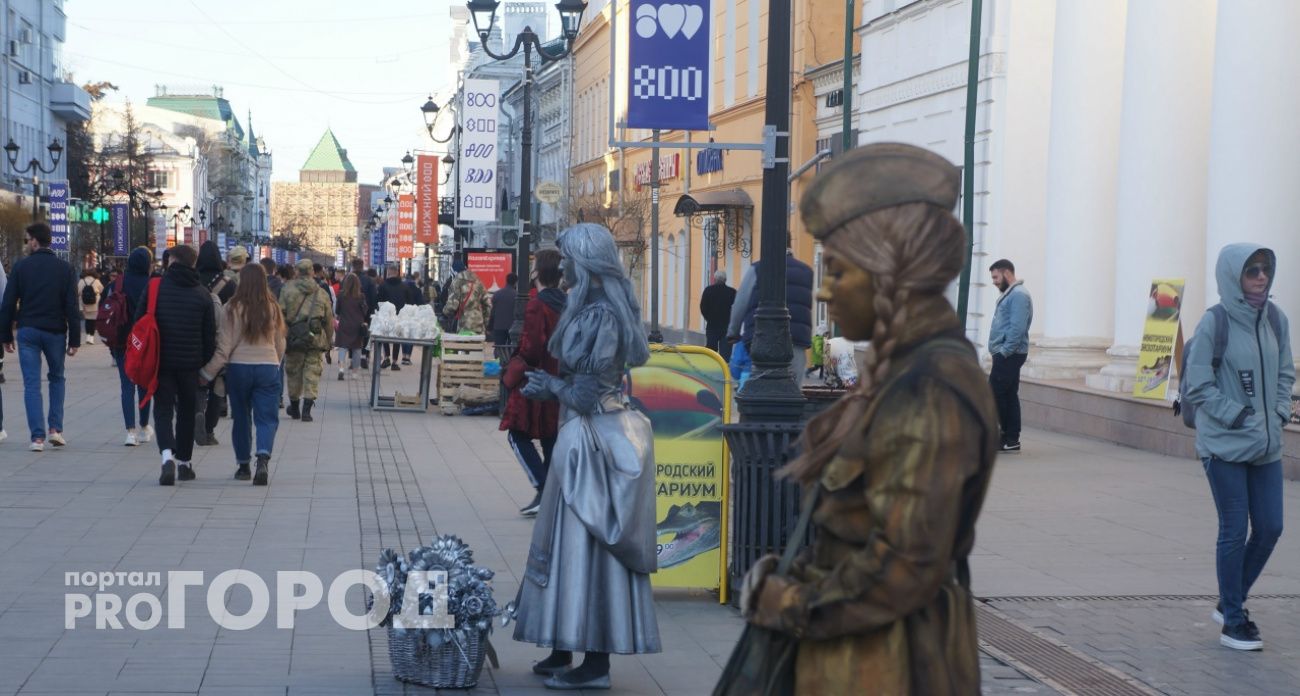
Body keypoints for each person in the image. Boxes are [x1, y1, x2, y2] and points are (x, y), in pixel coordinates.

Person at [734, 142, 998, 695]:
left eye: (840, 271)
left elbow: (905, 564)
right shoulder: (898, 370)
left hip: (891, 663)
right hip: (856, 656)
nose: (824, 291)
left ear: (889, 276)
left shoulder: (930, 385)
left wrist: (793, 603)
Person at [511, 224, 660, 690]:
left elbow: (589, 391)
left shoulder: (602, 317)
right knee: (562, 545)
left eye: (570, 257)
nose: (564, 266)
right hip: (580, 437)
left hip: (594, 442)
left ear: (588, 262)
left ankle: (594, 663)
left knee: (587, 548)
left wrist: (549, 386)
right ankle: (562, 642)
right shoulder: (587, 307)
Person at [1183, 244, 1294, 652]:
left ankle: (1230, 597)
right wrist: (1238, 416)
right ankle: (1233, 619)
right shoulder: (1215, 322)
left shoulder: (1276, 321)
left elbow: (1285, 373)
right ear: (1234, 276)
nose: (1261, 277)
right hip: (1224, 446)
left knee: (1270, 528)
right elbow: (1199, 386)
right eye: (1252, 271)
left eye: (1265, 269)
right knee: (1234, 530)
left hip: (1266, 446)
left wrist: (1279, 412)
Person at [201, 263, 287, 486]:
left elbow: (224, 347)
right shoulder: (272, 307)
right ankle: (263, 457)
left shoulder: (231, 307)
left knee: (241, 417)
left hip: (239, 368)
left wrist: (207, 373)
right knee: (267, 418)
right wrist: (274, 362)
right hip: (267, 366)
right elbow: (280, 342)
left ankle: (243, 466)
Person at [0, 223, 81, 451]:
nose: (27, 244)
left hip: (28, 331)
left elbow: (7, 303)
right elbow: (71, 307)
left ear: (35, 241)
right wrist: (75, 339)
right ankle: (55, 429)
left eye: (27, 240)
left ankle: (37, 438)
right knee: (57, 378)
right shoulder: (65, 269)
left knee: (32, 385)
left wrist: (5, 335)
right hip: (55, 331)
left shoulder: (21, 267)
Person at [146, 243, 217, 485]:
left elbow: (140, 323)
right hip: (190, 365)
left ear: (171, 261)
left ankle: (167, 457)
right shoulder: (202, 294)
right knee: (187, 412)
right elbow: (210, 336)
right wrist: (204, 365)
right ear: (193, 264)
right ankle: (185, 464)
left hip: (161, 363)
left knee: (163, 409)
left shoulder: (155, 288)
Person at [499, 256, 562, 517]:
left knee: (516, 434)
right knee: (550, 438)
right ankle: (553, 496)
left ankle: (543, 487)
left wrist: (516, 362)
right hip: (559, 378)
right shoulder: (566, 304)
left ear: (537, 272)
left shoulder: (537, 305)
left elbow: (533, 347)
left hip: (535, 380)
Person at [726, 238, 815, 380]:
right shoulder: (806, 272)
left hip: (760, 339)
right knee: (793, 392)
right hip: (796, 340)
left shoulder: (757, 268)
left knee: (759, 387)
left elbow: (740, 302)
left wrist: (733, 332)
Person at [279, 258, 334, 422]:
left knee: (293, 372)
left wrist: (283, 335)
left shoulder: (287, 289)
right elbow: (328, 320)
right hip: (314, 338)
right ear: (311, 272)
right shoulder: (321, 292)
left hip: (294, 337)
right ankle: (307, 411)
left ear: (296, 272)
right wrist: (329, 340)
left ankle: (294, 408)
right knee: (312, 372)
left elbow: (280, 314)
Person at [111, 247, 156, 446]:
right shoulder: (151, 284)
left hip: (121, 341)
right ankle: (145, 427)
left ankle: (130, 431)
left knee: (126, 386)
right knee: (144, 384)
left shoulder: (118, 283)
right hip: (143, 342)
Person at [987, 258, 1033, 453]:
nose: (994, 281)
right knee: (1007, 395)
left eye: (996, 277)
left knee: (995, 393)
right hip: (1008, 353)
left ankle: (1006, 435)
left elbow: (1018, 328)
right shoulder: (1012, 294)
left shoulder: (1019, 295)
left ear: (1007, 273)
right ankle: (1010, 439)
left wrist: (1004, 352)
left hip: (1010, 354)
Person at [194, 241, 234, 447]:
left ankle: (197, 411)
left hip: (196, 340)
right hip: (220, 341)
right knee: (217, 386)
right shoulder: (229, 283)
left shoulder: (194, 281)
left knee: (198, 384)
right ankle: (209, 430)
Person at [442, 259, 491, 335]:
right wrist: (485, 322)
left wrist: (444, 313)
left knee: (464, 346)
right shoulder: (477, 280)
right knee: (477, 346)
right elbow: (488, 304)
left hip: (464, 325)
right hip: (479, 325)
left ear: (454, 272)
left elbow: (452, 305)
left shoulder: (457, 281)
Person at [334, 273, 369, 380]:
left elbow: (337, 311)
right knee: (357, 349)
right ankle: (354, 373)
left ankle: (341, 369)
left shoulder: (341, 295)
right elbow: (365, 311)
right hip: (357, 326)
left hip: (344, 324)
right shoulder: (361, 296)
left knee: (343, 347)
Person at [699, 270, 737, 361]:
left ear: (714, 279)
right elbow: (736, 308)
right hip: (727, 326)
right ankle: (724, 372)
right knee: (725, 355)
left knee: (711, 352)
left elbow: (703, 307)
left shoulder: (708, 290)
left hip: (712, 325)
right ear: (725, 280)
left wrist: (708, 318)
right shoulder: (732, 292)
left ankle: (712, 369)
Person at [376, 266, 408, 369]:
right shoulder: (404, 286)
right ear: (397, 273)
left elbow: (378, 301)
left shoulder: (383, 286)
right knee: (397, 338)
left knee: (385, 335)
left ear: (388, 273)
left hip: (386, 315)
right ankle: (394, 362)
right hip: (400, 315)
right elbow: (409, 301)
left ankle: (386, 358)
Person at [490, 273, 519, 347]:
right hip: (512, 327)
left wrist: (489, 326)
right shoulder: (517, 296)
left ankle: (499, 358)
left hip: (499, 326)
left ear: (506, 281)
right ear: (516, 282)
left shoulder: (497, 294)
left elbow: (492, 312)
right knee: (511, 349)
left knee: (499, 348)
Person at [78, 270, 104, 345]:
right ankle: (91, 338)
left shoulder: (81, 281)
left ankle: (87, 336)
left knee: (87, 320)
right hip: (94, 304)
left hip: (84, 304)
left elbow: (78, 291)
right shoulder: (96, 281)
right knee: (92, 321)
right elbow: (102, 290)